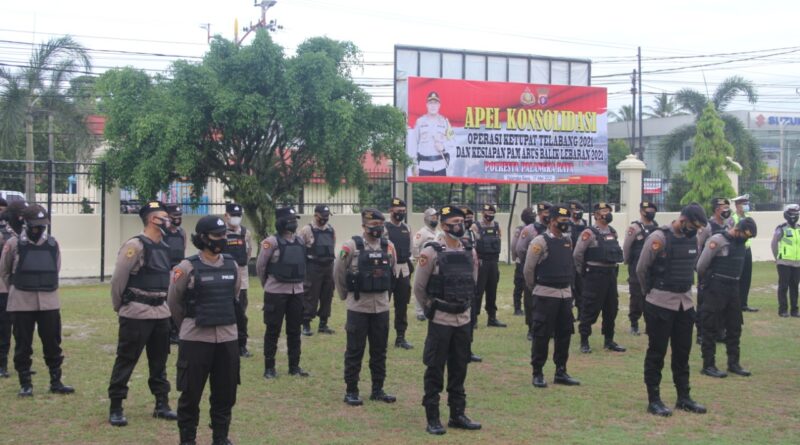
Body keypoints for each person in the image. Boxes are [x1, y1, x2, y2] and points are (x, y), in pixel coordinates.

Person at [168, 215, 240, 445]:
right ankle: (187, 439)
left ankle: (220, 436)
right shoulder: (186, 267)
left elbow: (234, 297)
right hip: (196, 339)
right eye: (217, 236)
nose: (222, 239)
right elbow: (174, 304)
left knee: (225, 393)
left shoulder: (232, 265)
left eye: (224, 235)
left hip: (227, 338)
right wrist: (188, 327)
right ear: (202, 238)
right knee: (190, 394)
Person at [107, 200, 177, 426]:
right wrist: (121, 306)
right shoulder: (135, 246)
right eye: (163, 216)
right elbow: (118, 279)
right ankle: (116, 405)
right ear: (151, 219)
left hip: (160, 312)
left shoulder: (165, 247)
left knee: (159, 361)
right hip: (136, 312)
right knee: (126, 359)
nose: (169, 220)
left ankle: (161, 403)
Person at [413, 205, 481, 435]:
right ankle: (433, 416)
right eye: (454, 222)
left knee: (459, 366)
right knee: (435, 369)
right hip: (441, 319)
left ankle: (457, 414)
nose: (460, 226)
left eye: (462, 221)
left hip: (462, 319)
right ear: (443, 225)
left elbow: (473, 281)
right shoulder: (431, 251)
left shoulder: (469, 251)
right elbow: (420, 288)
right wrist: (432, 310)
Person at [636, 203, 709, 417]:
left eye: (698, 228)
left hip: (685, 304)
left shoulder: (693, 238)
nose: (694, 230)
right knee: (656, 353)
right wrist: (649, 293)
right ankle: (654, 400)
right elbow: (641, 269)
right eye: (692, 225)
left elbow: (691, 264)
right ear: (682, 219)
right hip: (660, 303)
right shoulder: (659, 238)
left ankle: (683, 398)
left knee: (682, 354)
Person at [0, 204, 73, 398]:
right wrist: (18, 288)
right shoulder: (14, 244)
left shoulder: (52, 244)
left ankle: (56, 381)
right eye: (36, 224)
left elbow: (55, 268)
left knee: (53, 342)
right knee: (23, 344)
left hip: (49, 302)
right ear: (26, 223)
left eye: (42, 225)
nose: (39, 228)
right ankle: (25, 384)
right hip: (21, 302)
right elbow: (5, 272)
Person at [334, 209, 397, 406]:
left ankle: (378, 389)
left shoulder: (389, 247)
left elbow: (392, 272)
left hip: (381, 307)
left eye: (380, 226)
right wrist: (346, 296)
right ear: (364, 226)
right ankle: (351, 390)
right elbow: (339, 272)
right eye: (373, 227)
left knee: (379, 351)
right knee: (355, 350)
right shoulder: (351, 246)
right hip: (358, 307)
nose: (377, 230)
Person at [524, 204, 581, 388]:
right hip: (546, 294)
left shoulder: (568, 240)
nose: (566, 224)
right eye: (562, 221)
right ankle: (537, 372)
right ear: (552, 220)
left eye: (567, 220)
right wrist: (538, 288)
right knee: (542, 334)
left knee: (564, 334)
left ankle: (561, 371)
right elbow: (528, 270)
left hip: (564, 295)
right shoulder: (539, 242)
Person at [696, 217, 757, 379]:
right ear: (738, 230)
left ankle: (733, 363)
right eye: (745, 235)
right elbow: (701, 265)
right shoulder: (717, 240)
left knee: (734, 326)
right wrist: (707, 283)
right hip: (716, 287)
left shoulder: (741, 244)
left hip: (733, 288)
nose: (746, 239)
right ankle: (708, 365)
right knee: (710, 327)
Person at [257, 206, 309, 379]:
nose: (294, 223)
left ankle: (294, 366)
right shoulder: (271, 242)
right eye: (290, 220)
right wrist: (268, 285)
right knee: (273, 330)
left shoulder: (300, 241)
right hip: (276, 291)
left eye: (295, 220)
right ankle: (269, 368)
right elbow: (261, 266)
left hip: (297, 291)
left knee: (294, 330)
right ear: (281, 222)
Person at [573, 202, 625, 353]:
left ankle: (609, 340)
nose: (607, 213)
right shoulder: (589, 232)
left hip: (610, 274)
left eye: (609, 210)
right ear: (596, 215)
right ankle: (584, 341)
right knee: (589, 308)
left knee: (611, 308)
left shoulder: (612, 232)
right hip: (594, 275)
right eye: (603, 211)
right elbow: (577, 254)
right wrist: (583, 272)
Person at [695, 198, 734, 344]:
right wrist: (700, 267)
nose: (726, 210)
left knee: (722, 301)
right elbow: (699, 245)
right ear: (716, 209)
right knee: (704, 302)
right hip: (708, 268)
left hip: (723, 269)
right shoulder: (707, 226)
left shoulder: (729, 225)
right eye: (724, 207)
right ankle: (701, 333)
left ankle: (719, 331)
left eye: (727, 207)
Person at [299, 204, 336, 336]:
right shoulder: (306, 230)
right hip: (312, 267)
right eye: (322, 216)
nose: (325, 219)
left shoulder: (331, 230)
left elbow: (332, 246)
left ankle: (323, 324)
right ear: (315, 215)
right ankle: (306, 324)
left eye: (327, 216)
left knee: (327, 295)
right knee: (310, 295)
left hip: (328, 267)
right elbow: (300, 250)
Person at [622, 202, 659, 336]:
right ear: (641, 212)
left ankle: (650, 325)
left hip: (653, 268)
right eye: (648, 210)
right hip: (636, 267)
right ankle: (634, 323)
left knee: (652, 296)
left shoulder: (656, 227)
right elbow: (627, 246)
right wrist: (627, 260)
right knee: (637, 296)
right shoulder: (635, 228)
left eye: (653, 210)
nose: (651, 212)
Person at [223, 203, 253, 358]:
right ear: (226, 215)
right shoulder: (220, 233)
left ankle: (242, 345)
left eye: (238, 215)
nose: (236, 218)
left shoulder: (246, 233)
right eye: (232, 215)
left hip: (241, 278)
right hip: (224, 278)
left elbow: (248, 253)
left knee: (241, 312)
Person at [384, 198, 414, 349]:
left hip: (403, 270)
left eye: (403, 211)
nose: (400, 214)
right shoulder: (384, 228)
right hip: (388, 270)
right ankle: (380, 336)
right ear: (391, 211)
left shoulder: (407, 228)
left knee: (402, 305)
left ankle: (400, 337)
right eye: (398, 211)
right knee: (383, 304)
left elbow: (411, 249)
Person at [471, 204, 506, 328]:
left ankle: (492, 318)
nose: (489, 216)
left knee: (492, 291)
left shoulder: (497, 226)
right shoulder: (475, 227)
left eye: (492, 214)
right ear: (482, 213)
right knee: (478, 291)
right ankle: (473, 318)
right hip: (481, 262)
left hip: (493, 263)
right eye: (487, 213)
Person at [515, 206, 546, 341]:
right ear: (539, 214)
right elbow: (520, 248)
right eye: (545, 212)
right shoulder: (529, 229)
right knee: (530, 299)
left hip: (548, 270)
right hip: (531, 267)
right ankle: (531, 328)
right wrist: (528, 262)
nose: (547, 215)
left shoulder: (554, 229)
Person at [410, 91, 454, 176]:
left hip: (440, 166)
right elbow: (413, 144)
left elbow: (453, 141)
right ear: (427, 105)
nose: (433, 105)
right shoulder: (420, 122)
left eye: (435, 103)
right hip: (424, 167)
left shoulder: (445, 122)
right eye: (430, 103)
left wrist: (443, 147)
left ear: (439, 105)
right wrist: (414, 165)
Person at [460, 206, 482, 363]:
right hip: (454, 281)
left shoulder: (472, 234)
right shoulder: (446, 236)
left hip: (470, 280)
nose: (468, 221)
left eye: (469, 218)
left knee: (471, 317)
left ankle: (467, 349)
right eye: (464, 218)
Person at [164, 204, 188, 345]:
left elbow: (183, 249)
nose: (178, 219)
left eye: (179, 216)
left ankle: (176, 330)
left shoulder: (182, 232)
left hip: (178, 270)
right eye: (175, 217)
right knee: (167, 301)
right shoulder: (163, 233)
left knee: (178, 300)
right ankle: (167, 331)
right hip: (165, 270)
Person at [772, 204, 800, 317]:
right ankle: (783, 310)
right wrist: (777, 257)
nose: (794, 216)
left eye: (796, 213)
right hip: (784, 263)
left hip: (797, 263)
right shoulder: (781, 228)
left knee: (794, 287)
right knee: (783, 287)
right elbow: (774, 244)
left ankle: (794, 310)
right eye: (792, 213)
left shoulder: (799, 229)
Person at [412, 208, 440, 321]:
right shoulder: (422, 233)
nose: (435, 219)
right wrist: (418, 258)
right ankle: (420, 311)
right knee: (421, 286)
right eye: (433, 217)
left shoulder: (438, 233)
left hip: (435, 265)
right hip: (424, 264)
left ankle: (431, 308)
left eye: (436, 217)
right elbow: (415, 246)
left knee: (432, 287)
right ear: (426, 218)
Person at [732, 194, 758, 312]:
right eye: (744, 204)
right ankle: (735, 304)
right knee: (737, 277)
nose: (746, 206)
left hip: (747, 250)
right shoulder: (732, 218)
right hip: (737, 249)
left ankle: (744, 304)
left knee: (747, 278)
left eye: (747, 203)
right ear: (737, 205)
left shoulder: (748, 216)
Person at [511, 208, 536, 317]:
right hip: (522, 260)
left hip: (530, 261)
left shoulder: (536, 228)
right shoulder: (521, 229)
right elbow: (514, 245)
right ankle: (517, 308)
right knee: (519, 285)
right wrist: (515, 257)